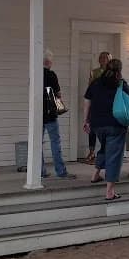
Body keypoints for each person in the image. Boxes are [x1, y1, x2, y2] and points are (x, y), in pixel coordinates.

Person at [83, 58, 129, 200]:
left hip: (97, 125)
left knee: (105, 147)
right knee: (114, 156)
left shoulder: (96, 83)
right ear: (119, 70)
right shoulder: (121, 84)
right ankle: (110, 191)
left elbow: (87, 102)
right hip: (115, 125)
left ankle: (95, 175)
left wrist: (86, 120)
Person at [42, 50, 76, 179]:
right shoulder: (51, 75)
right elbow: (58, 94)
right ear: (49, 62)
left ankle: (40, 171)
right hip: (50, 113)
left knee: (38, 143)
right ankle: (61, 171)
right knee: (55, 142)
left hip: (38, 113)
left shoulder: (35, 73)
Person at [85, 51, 112, 164]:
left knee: (105, 128)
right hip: (95, 102)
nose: (102, 59)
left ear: (109, 60)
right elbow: (90, 87)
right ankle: (91, 152)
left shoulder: (112, 73)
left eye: (105, 58)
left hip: (107, 104)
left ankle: (105, 151)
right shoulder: (94, 72)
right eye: (101, 57)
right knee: (92, 127)